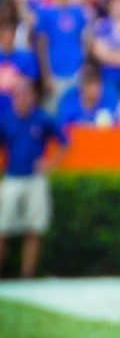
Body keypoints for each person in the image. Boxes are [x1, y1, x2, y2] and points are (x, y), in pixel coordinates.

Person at [0, 77, 67, 277]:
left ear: (33, 97)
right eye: (18, 95)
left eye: (26, 94)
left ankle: (27, 274)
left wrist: (50, 164)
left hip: (35, 179)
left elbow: (65, 142)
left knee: (35, 228)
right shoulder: (6, 119)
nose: (22, 99)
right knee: (3, 227)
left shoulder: (42, 118)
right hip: (13, 177)